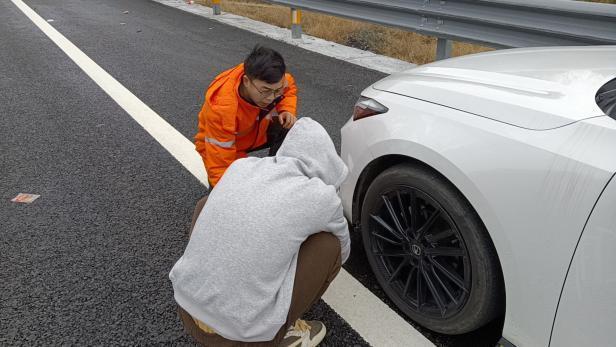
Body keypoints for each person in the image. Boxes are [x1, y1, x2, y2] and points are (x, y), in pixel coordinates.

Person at [170, 118, 351, 346]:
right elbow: (343, 251)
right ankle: (284, 333)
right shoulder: (321, 197)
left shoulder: (242, 166)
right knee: (328, 245)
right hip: (239, 336)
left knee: (206, 203)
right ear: (327, 162)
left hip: (185, 307)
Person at [195, 45, 298, 188]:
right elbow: (220, 161)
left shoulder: (275, 81)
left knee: (291, 127)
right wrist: (224, 192)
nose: (271, 98)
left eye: (277, 91)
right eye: (265, 91)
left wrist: (286, 110)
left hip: (255, 131)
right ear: (246, 81)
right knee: (229, 189)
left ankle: (275, 177)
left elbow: (289, 87)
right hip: (225, 148)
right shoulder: (222, 108)